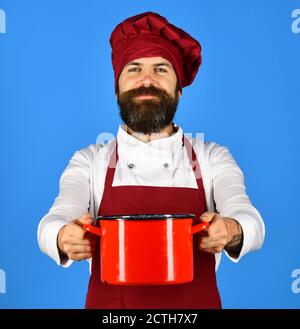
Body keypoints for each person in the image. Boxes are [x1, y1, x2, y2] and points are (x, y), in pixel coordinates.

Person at [37, 11, 265, 309]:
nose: (147, 79)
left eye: (161, 69)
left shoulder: (212, 157)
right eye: (134, 69)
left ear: (179, 90)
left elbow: (250, 219)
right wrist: (61, 236)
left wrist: (233, 230)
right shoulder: (90, 160)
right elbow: (54, 219)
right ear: (117, 89)